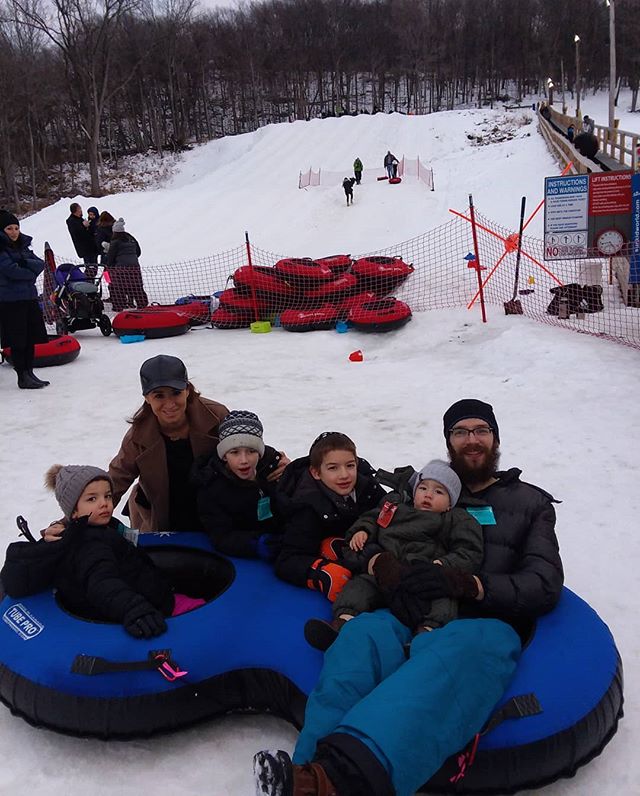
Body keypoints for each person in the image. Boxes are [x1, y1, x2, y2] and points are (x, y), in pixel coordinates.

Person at [254, 399, 564, 796]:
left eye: (481, 430)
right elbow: (366, 535)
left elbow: (544, 583)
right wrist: (377, 561)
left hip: (476, 620)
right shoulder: (415, 490)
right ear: (448, 441)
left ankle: (338, 781)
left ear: (496, 438)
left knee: (446, 661)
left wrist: (469, 584)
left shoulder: (528, 504)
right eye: (460, 432)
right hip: (403, 604)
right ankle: (304, 774)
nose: (471, 440)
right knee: (361, 636)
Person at [0, 465, 202, 639]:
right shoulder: (89, 545)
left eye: (107, 496)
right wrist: (135, 609)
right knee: (202, 612)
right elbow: (103, 584)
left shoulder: (106, 527)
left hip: (154, 593)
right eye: (92, 499)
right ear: (73, 512)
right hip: (151, 606)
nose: (104, 503)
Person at [304, 460, 483, 651]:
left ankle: (427, 634)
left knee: (444, 601)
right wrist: (363, 530)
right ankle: (342, 623)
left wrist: (443, 565)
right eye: (423, 488)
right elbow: (372, 518)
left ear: (450, 504)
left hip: (424, 576)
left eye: (439, 492)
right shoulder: (396, 507)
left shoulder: (454, 518)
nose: (428, 495)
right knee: (360, 586)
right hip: (387, 572)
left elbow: (469, 550)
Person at [274, 432, 385, 602]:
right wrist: (320, 572)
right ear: (316, 473)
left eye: (350, 465)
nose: (344, 475)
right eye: (333, 468)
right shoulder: (307, 506)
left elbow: (386, 510)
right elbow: (287, 560)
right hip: (336, 561)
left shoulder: (367, 486)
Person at [193, 410, 284, 560]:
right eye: (234, 452)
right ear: (224, 455)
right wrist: (254, 544)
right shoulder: (211, 488)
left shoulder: (274, 471)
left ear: (260, 453)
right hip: (239, 560)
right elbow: (221, 535)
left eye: (251, 451)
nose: (244, 460)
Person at [0, 210, 50, 389]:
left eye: (16, 228)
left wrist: (25, 264)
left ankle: (30, 372)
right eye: (9, 228)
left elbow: (40, 264)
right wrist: (29, 272)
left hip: (28, 297)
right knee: (18, 340)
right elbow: (11, 271)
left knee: (30, 337)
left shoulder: (22, 246)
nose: (14, 232)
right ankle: (22, 375)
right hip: (10, 301)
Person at [105, 217, 148, 311]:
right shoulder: (130, 238)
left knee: (118, 287)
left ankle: (118, 306)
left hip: (121, 268)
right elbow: (138, 251)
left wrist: (110, 266)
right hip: (135, 267)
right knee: (137, 286)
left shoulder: (115, 242)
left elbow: (110, 258)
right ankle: (142, 304)